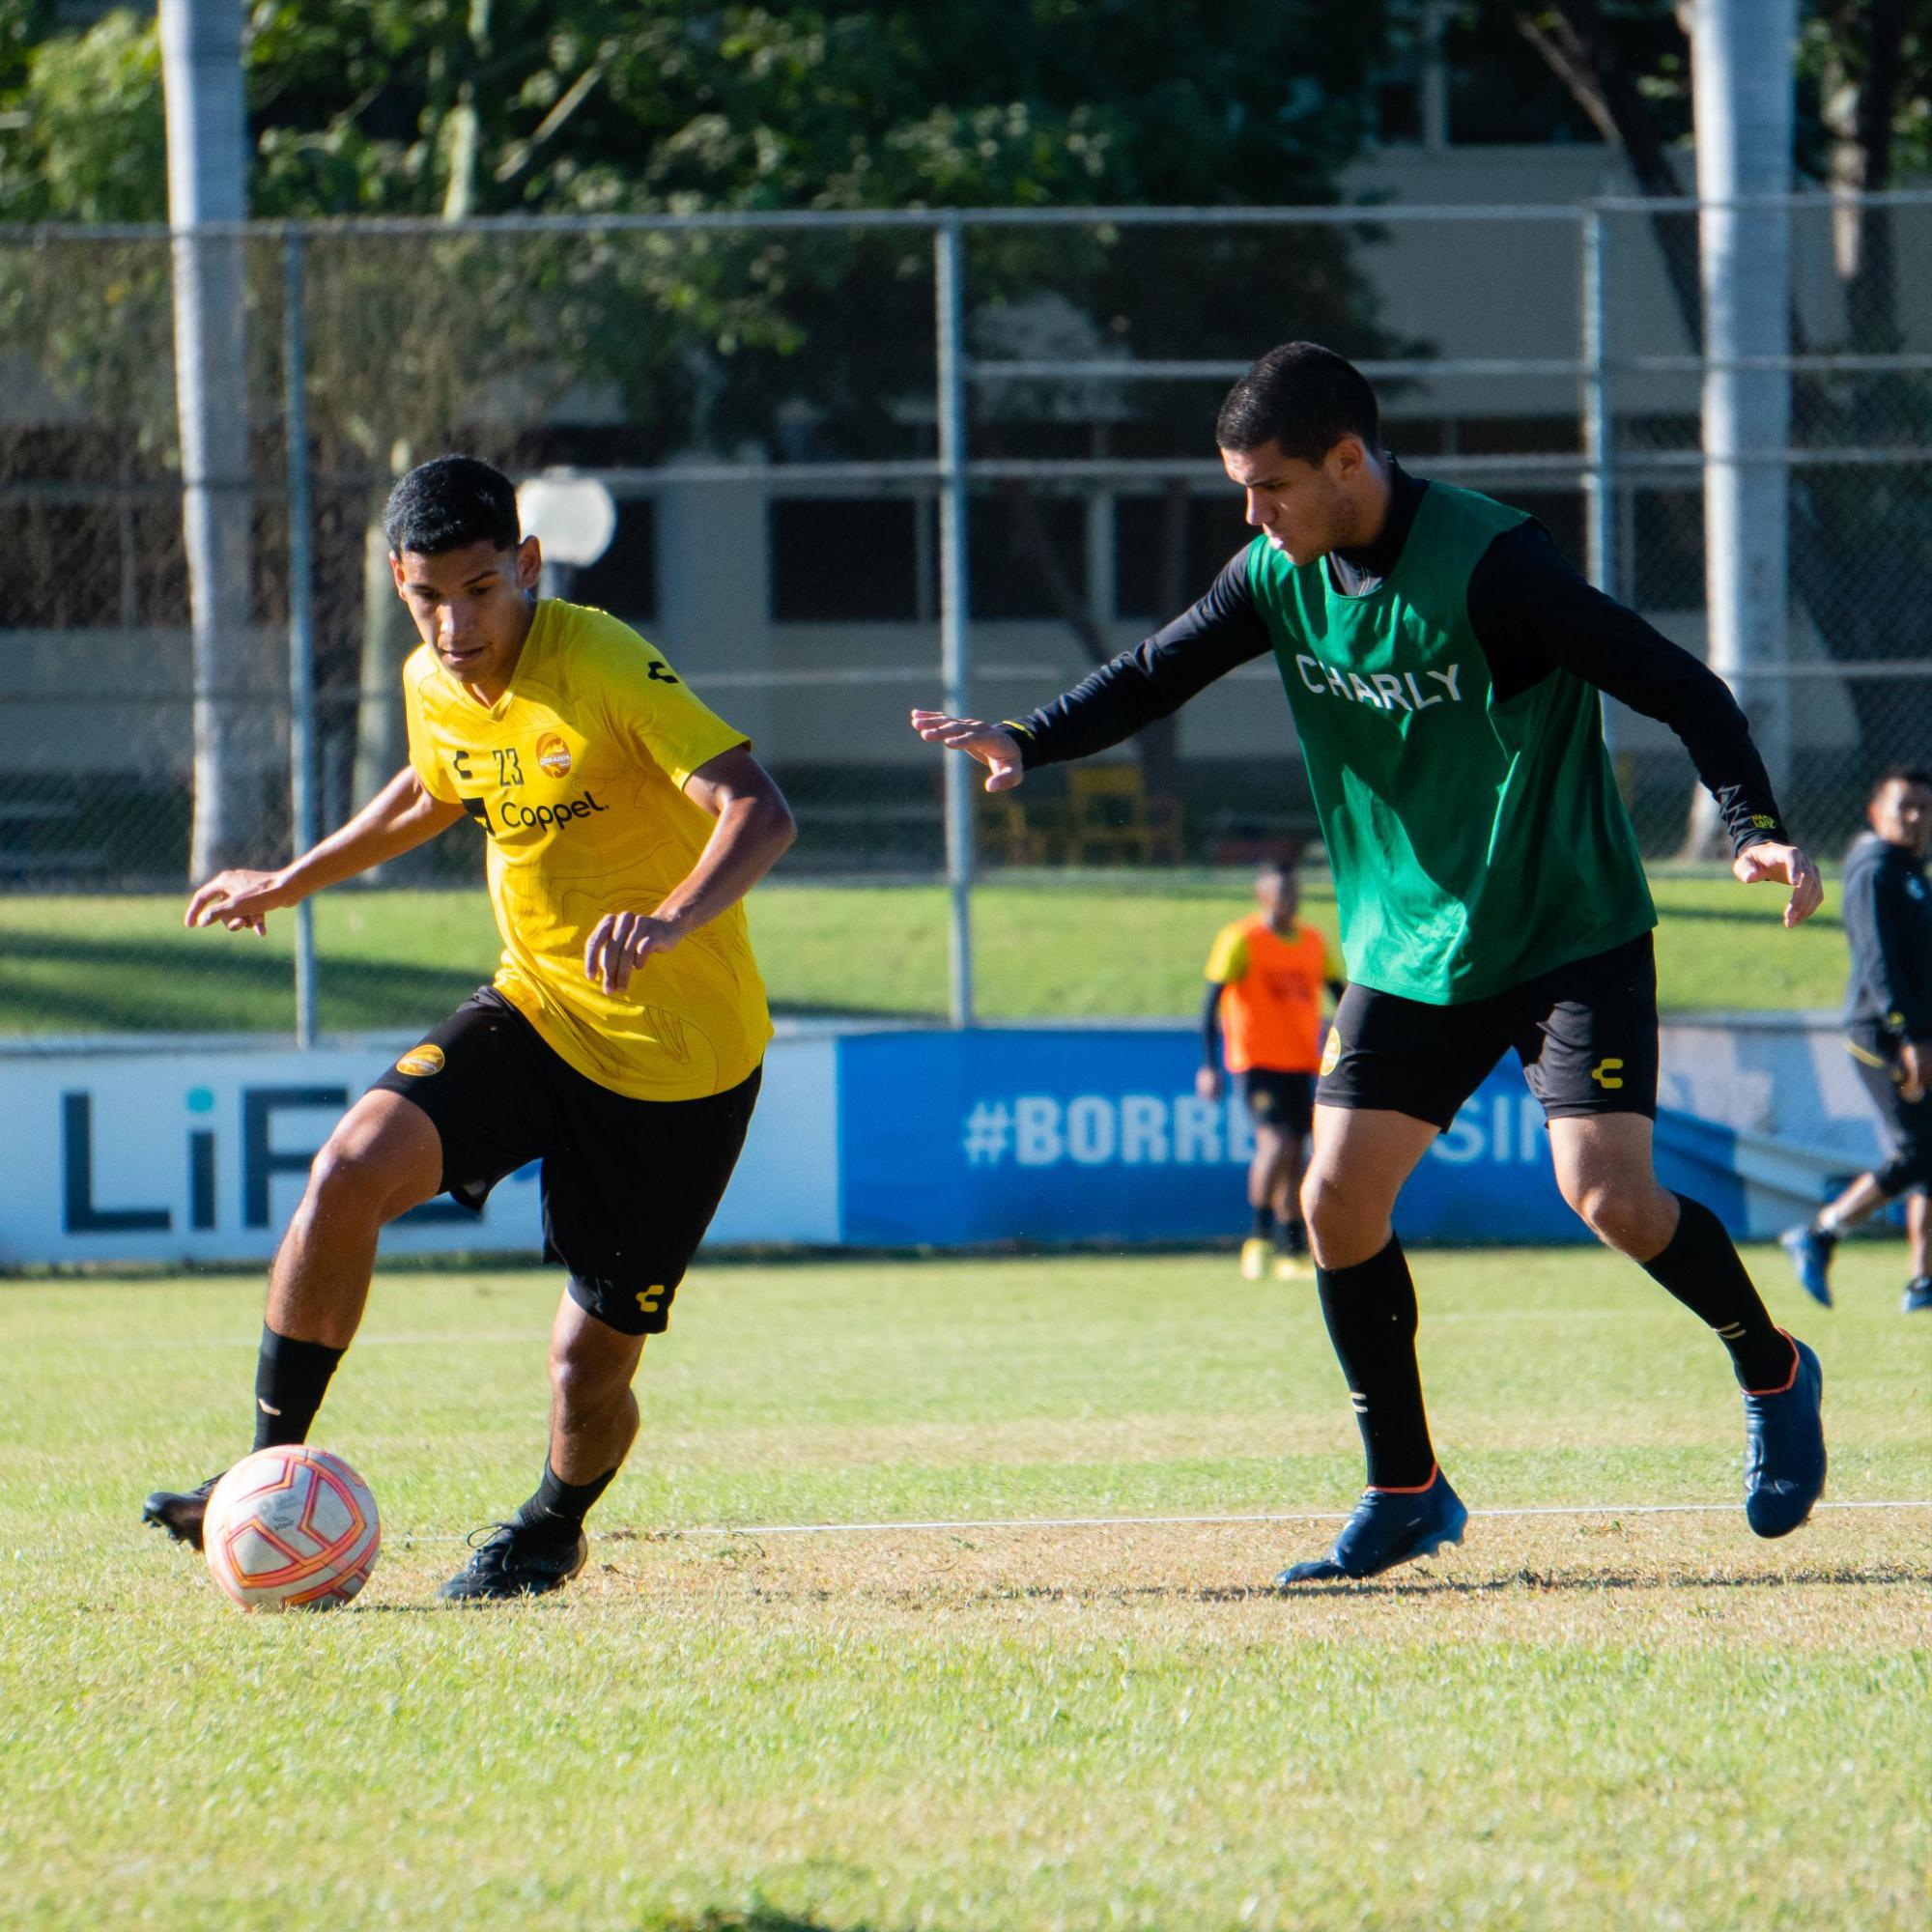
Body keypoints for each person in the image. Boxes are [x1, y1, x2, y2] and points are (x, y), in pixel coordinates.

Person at [913, 340, 1828, 1586]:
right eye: (1241, 489)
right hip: (1407, 943)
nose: (1252, 515)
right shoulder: (1275, 574)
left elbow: (1682, 686)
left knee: (1607, 1194)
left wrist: (1751, 825)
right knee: (1333, 1200)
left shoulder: (1493, 565)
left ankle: (1771, 1367)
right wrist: (1029, 738)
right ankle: (1404, 1487)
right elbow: (1154, 672)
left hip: (1564, 925)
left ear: (1346, 460)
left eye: (1270, 486)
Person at [143, 454, 795, 1601]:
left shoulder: (599, 661)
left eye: (480, 589)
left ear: (526, 565)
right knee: (346, 1169)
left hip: (677, 1065)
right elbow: (429, 786)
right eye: (426, 598)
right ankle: (260, 1470)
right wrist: (288, 880)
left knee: (584, 1367)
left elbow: (758, 806)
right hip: (536, 1005)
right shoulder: (433, 679)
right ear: (400, 586)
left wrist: (668, 920)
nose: (455, 625)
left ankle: (547, 1528)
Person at [1781, 767, 1932, 1315]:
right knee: (1919, 1151)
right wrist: (1910, 1033)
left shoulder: (1910, 871)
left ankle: (1922, 1281)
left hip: (1916, 1034)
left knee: (1928, 1151)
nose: (1914, 817)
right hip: (1884, 1037)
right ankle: (1820, 1233)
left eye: (1924, 808)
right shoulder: (1873, 869)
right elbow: (1878, 961)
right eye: (1903, 806)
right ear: (1875, 812)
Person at [1197, 858, 1341, 1279]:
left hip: (1302, 1062)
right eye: (1281, 893)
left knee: (1297, 1152)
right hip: (1256, 1062)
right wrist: (1209, 1065)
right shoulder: (1241, 939)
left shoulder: (1313, 942)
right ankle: (1257, 1241)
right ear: (1262, 896)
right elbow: (1210, 1004)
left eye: (1294, 893)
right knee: (1275, 1144)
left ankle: (1290, 1250)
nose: (1289, 901)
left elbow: (1342, 995)